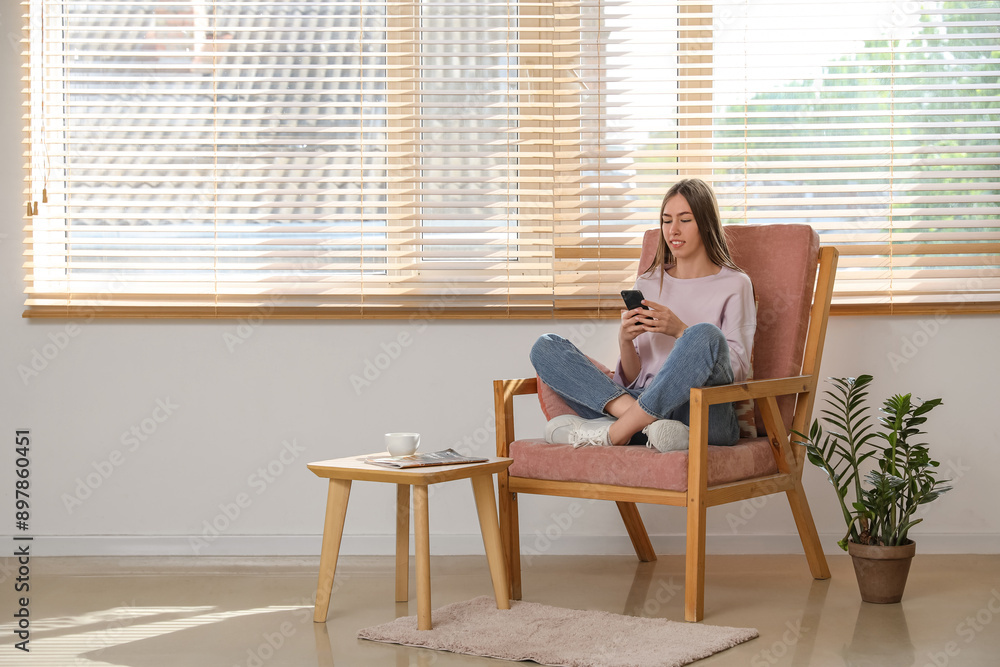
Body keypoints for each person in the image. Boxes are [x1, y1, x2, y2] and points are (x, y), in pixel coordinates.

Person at [529, 178, 755, 452]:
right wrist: (625, 340)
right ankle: (650, 428)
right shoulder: (648, 283)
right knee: (546, 346)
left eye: (685, 220)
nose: (673, 230)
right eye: (666, 220)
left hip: (702, 409)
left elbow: (738, 369)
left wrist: (681, 331)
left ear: (706, 223)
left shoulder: (735, 284)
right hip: (641, 399)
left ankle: (618, 430)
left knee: (703, 333)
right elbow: (637, 376)